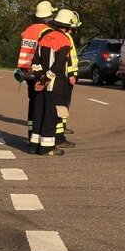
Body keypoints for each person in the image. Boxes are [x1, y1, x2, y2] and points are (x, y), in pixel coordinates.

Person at [30, 9, 76, 155]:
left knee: (39, 114)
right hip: (55, 86)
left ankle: (34, 145)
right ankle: (47, 148)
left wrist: (40, 77)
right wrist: (47, 78)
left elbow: (35, 61)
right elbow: (59, 64)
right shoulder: (65, 41)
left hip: (41, 84)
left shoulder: (44, 37)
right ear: (68, 26)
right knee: (51, 116)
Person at [18, 1, 56, 143]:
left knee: (32, 103)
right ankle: (38, 135)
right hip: (39, 71)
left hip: (27, 71)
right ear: (48, 18)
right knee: (42, 106)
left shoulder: (28, 30)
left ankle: (31, 134)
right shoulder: (46, 32)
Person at [54, 11, 82, 148]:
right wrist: (72, 74)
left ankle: (60, 129)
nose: (73, 31)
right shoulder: (65, 38)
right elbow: (68, 59)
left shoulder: (53, 35)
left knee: (61, 105)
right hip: (64, 77)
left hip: (60, 76)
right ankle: (58, 136)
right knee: (61, 105)